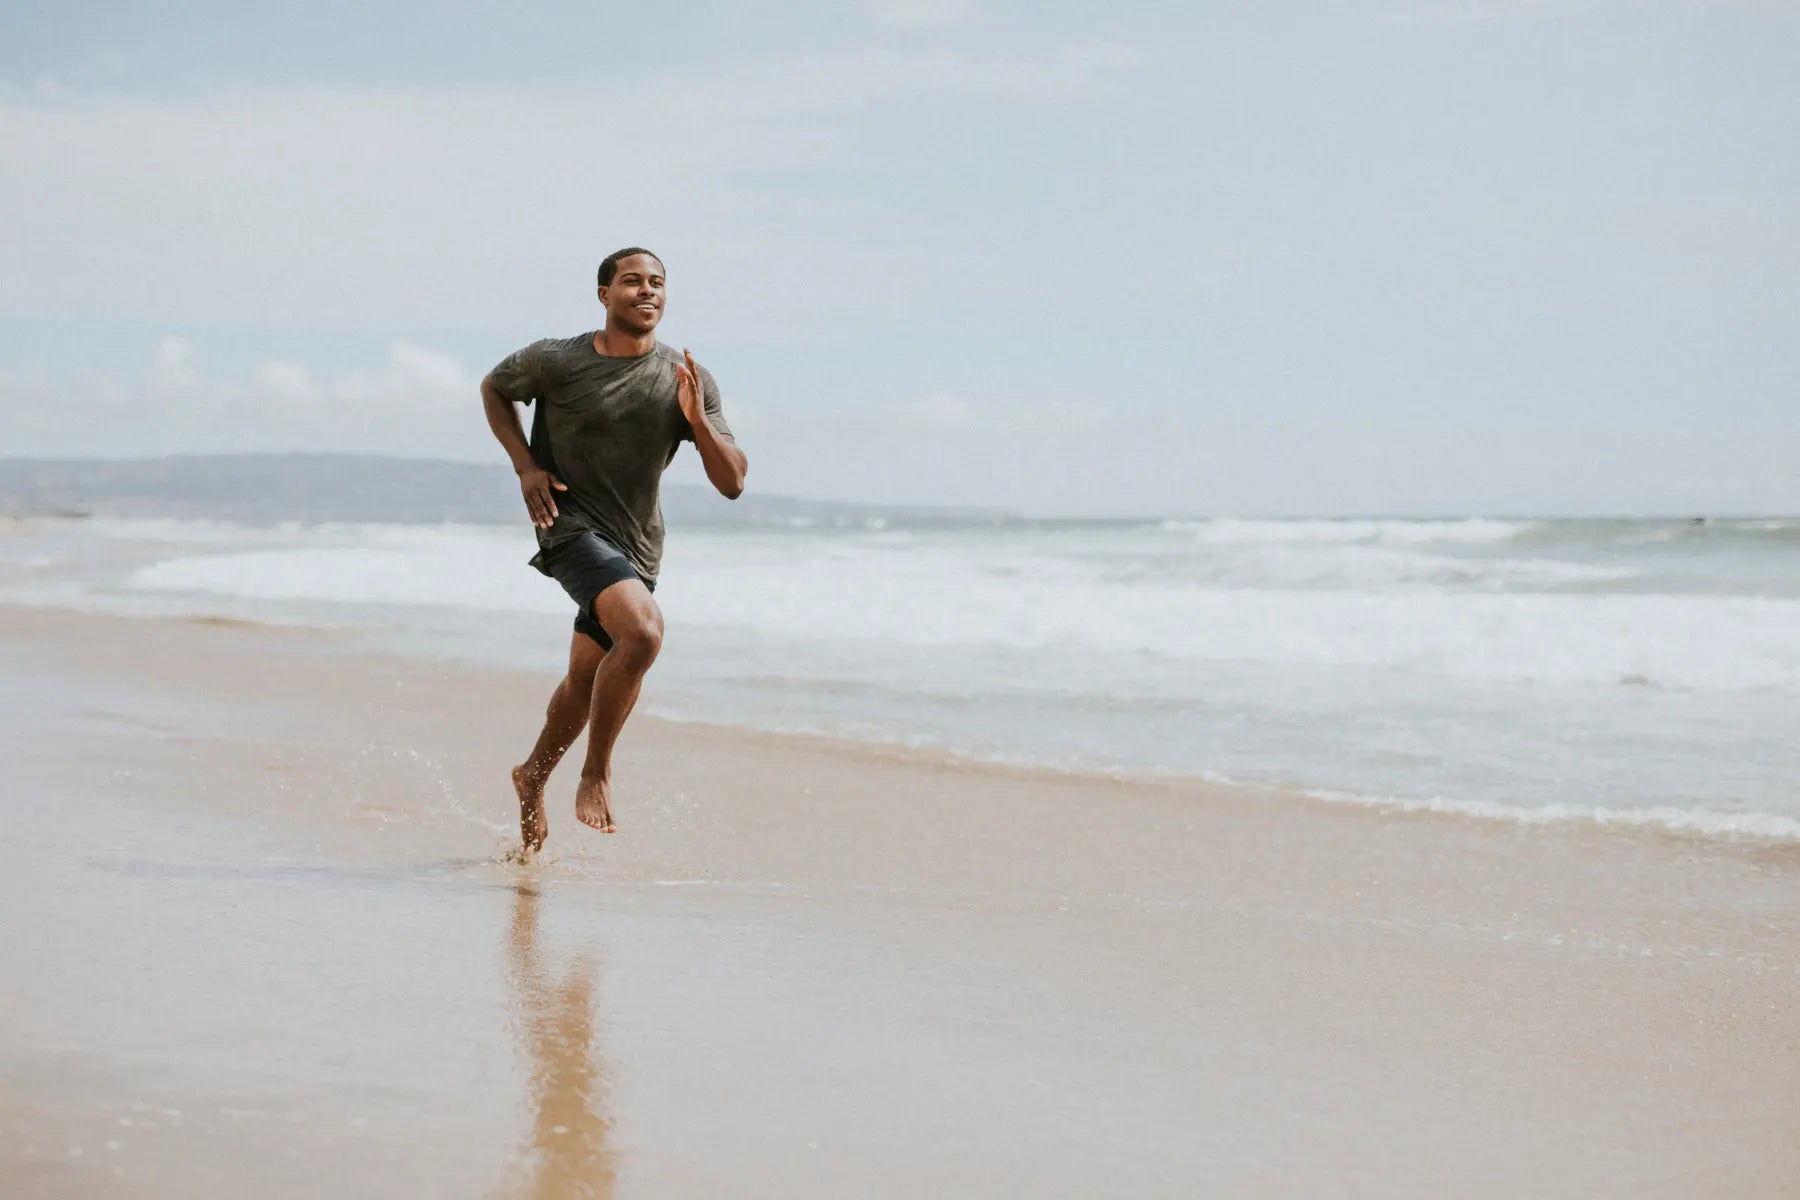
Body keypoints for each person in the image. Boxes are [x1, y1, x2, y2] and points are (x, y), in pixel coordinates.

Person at [481, 247, 746, 851]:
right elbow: (495, 388)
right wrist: (525, 466)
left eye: (656, 283)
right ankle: (596, 773)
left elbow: (732, 483)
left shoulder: (687, 378)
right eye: (631, 281)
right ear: (604, 294)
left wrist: (697, 422)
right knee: (644, 633)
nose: (646, 291)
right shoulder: (556, 360)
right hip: (567, 524)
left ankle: (531, 776)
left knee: (585, 676)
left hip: (637, 545)